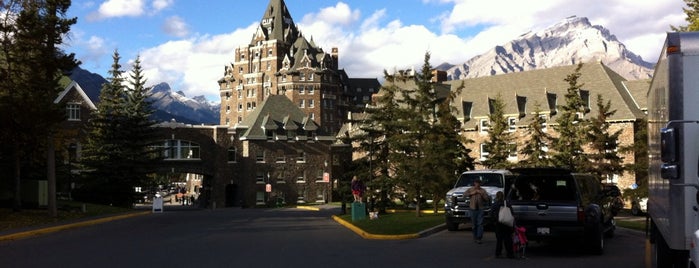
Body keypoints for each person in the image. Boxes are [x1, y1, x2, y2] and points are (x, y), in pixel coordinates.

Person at [491, 191, 515, 258]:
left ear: (496, 196)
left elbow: (491, 214)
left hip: (499, 224)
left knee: (499, 240)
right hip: (507, 223)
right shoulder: (507, 204)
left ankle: (498, 253)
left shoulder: (495, 204)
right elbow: (512, 213)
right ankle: (510, 254)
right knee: (508, 239)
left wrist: (494, 222)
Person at [465, 179, 489, 244]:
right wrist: (471, 193)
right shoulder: (471, 189)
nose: (477, 184)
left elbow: (487, 199)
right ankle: (475, 237)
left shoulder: (483, 190)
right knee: (474, 224)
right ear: (474, 183)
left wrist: (482, 194)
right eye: (476, 183)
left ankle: (479, 238)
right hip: (472, 209)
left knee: (480, 224)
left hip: (480, 209)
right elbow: (464, 195)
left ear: (480, 184)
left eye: (479, 183)